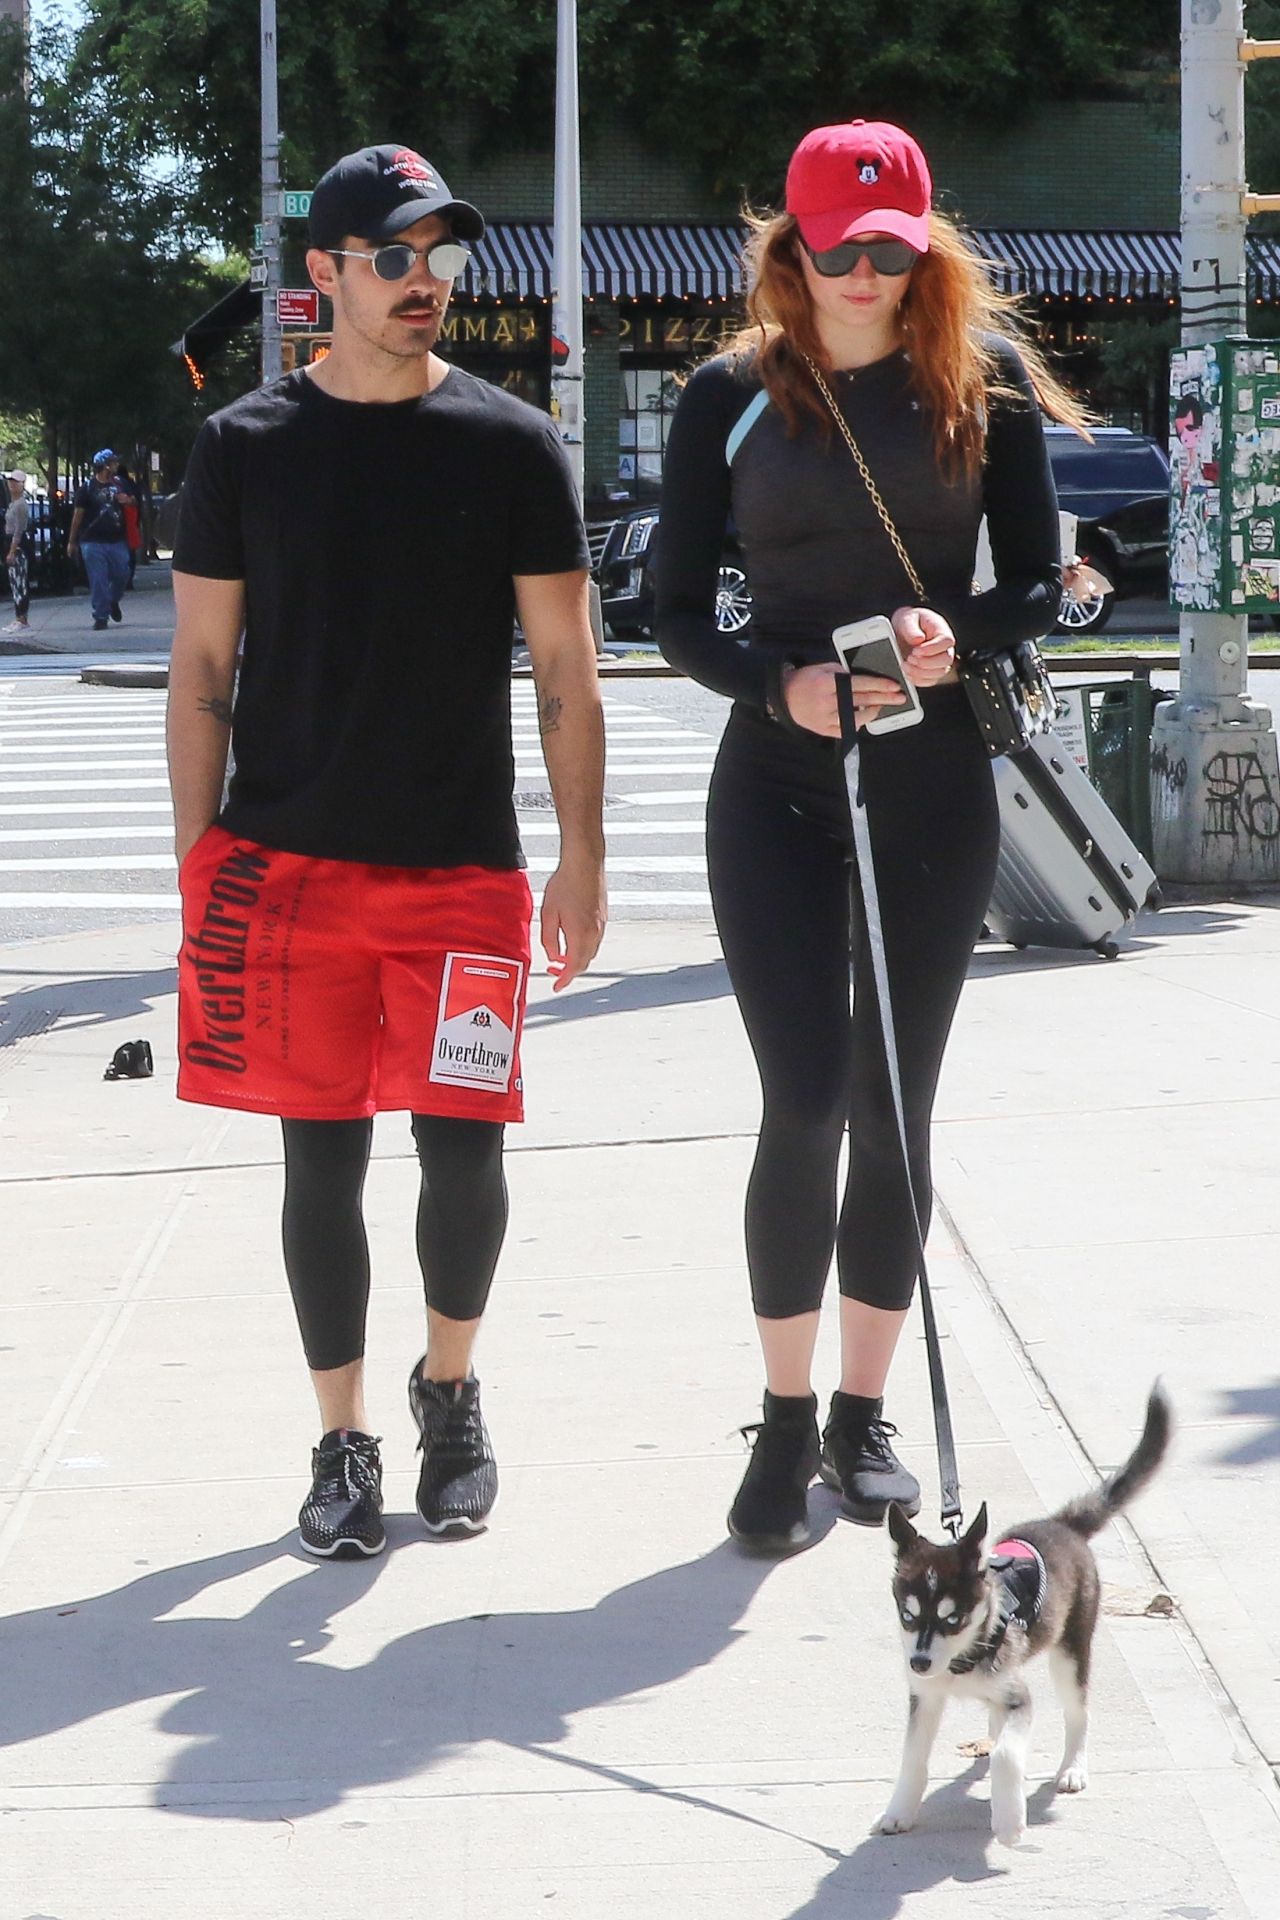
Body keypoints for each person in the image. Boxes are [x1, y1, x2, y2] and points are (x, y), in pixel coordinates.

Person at [168, 143, 607, 1560]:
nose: (428, 282)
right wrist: (200, 875)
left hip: (464, 873)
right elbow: (199, 673)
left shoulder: (512, 443)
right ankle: (343, 1436)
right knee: (321, 1163)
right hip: (287, 872)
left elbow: (565, 666)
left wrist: (583, 855)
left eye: (443, 257)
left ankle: (451, 1394)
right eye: (396, 257)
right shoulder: (245, 447)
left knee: (467, 1156)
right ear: (327, 275)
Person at [656, 119, 1082, 1555]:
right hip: (775, 781)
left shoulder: (984, 385)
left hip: (930, 780)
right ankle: (780, 1427)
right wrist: (774, 678)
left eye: (888, 248)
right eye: (832, 248)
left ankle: (860, 1411)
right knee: (804, 1097)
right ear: (789, 245)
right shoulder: (727, 393)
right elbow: (666, 608)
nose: (860, 272)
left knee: (897, 1102)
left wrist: (947, 636)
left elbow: (1037, 586)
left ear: (922, 247)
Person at [68, 449, 136, 630]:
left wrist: (127, 500)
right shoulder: (87, 488)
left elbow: (134, 501)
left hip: (117, 540)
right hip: (92, 541)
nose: (116, 465)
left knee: (123, 574)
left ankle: (112, 600)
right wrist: (72, 542)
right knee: (98, 579)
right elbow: (77, 517)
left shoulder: (121, 484)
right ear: (105, 465)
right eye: (113, 462)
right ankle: (101, 615)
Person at [3, 469, 30, 634]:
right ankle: (18, 616)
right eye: (11, 481)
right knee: (14, 582)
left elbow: (19, 530)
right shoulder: (12, 503)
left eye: (16, 482)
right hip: (10, 542)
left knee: (20, 582)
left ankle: (22, 618)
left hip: (18, 546)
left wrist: (12, 551)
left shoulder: (21, 505)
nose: (12, 485)